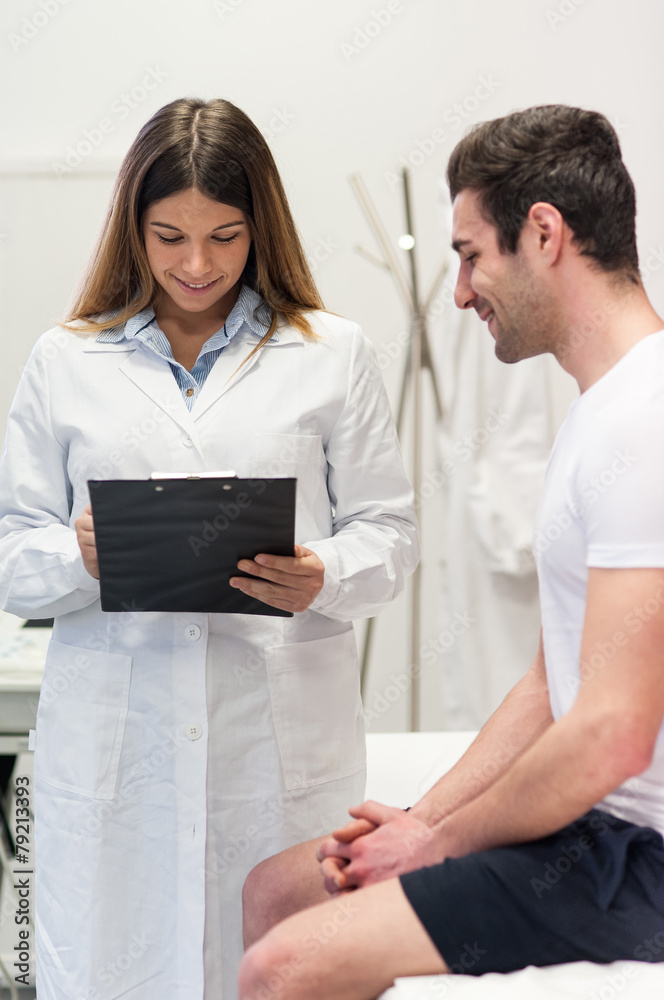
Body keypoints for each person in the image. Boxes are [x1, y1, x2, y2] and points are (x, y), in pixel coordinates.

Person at [238, 104, 664, 1000]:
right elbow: (553, 688)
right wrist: (416, 820)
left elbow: (611, 734)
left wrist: (432, 848)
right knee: (279, 892)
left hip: (642, 858)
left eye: (472, 256)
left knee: (284, 964)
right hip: (598, 835)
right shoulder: (599, 413)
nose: (462, 292)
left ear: (543, 234)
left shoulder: (646, 421)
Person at [0, 97, 418, 1000]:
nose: (197, 265)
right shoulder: (66, 360)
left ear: (259, 228)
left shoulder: (331, 353)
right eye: (169, 236)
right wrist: (77, 554)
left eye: (225, 237)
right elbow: (10, 549)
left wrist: (325, 575)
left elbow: (390, 534)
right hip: (119, 755)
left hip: (274, 754)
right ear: (132, 232)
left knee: (272, 971)